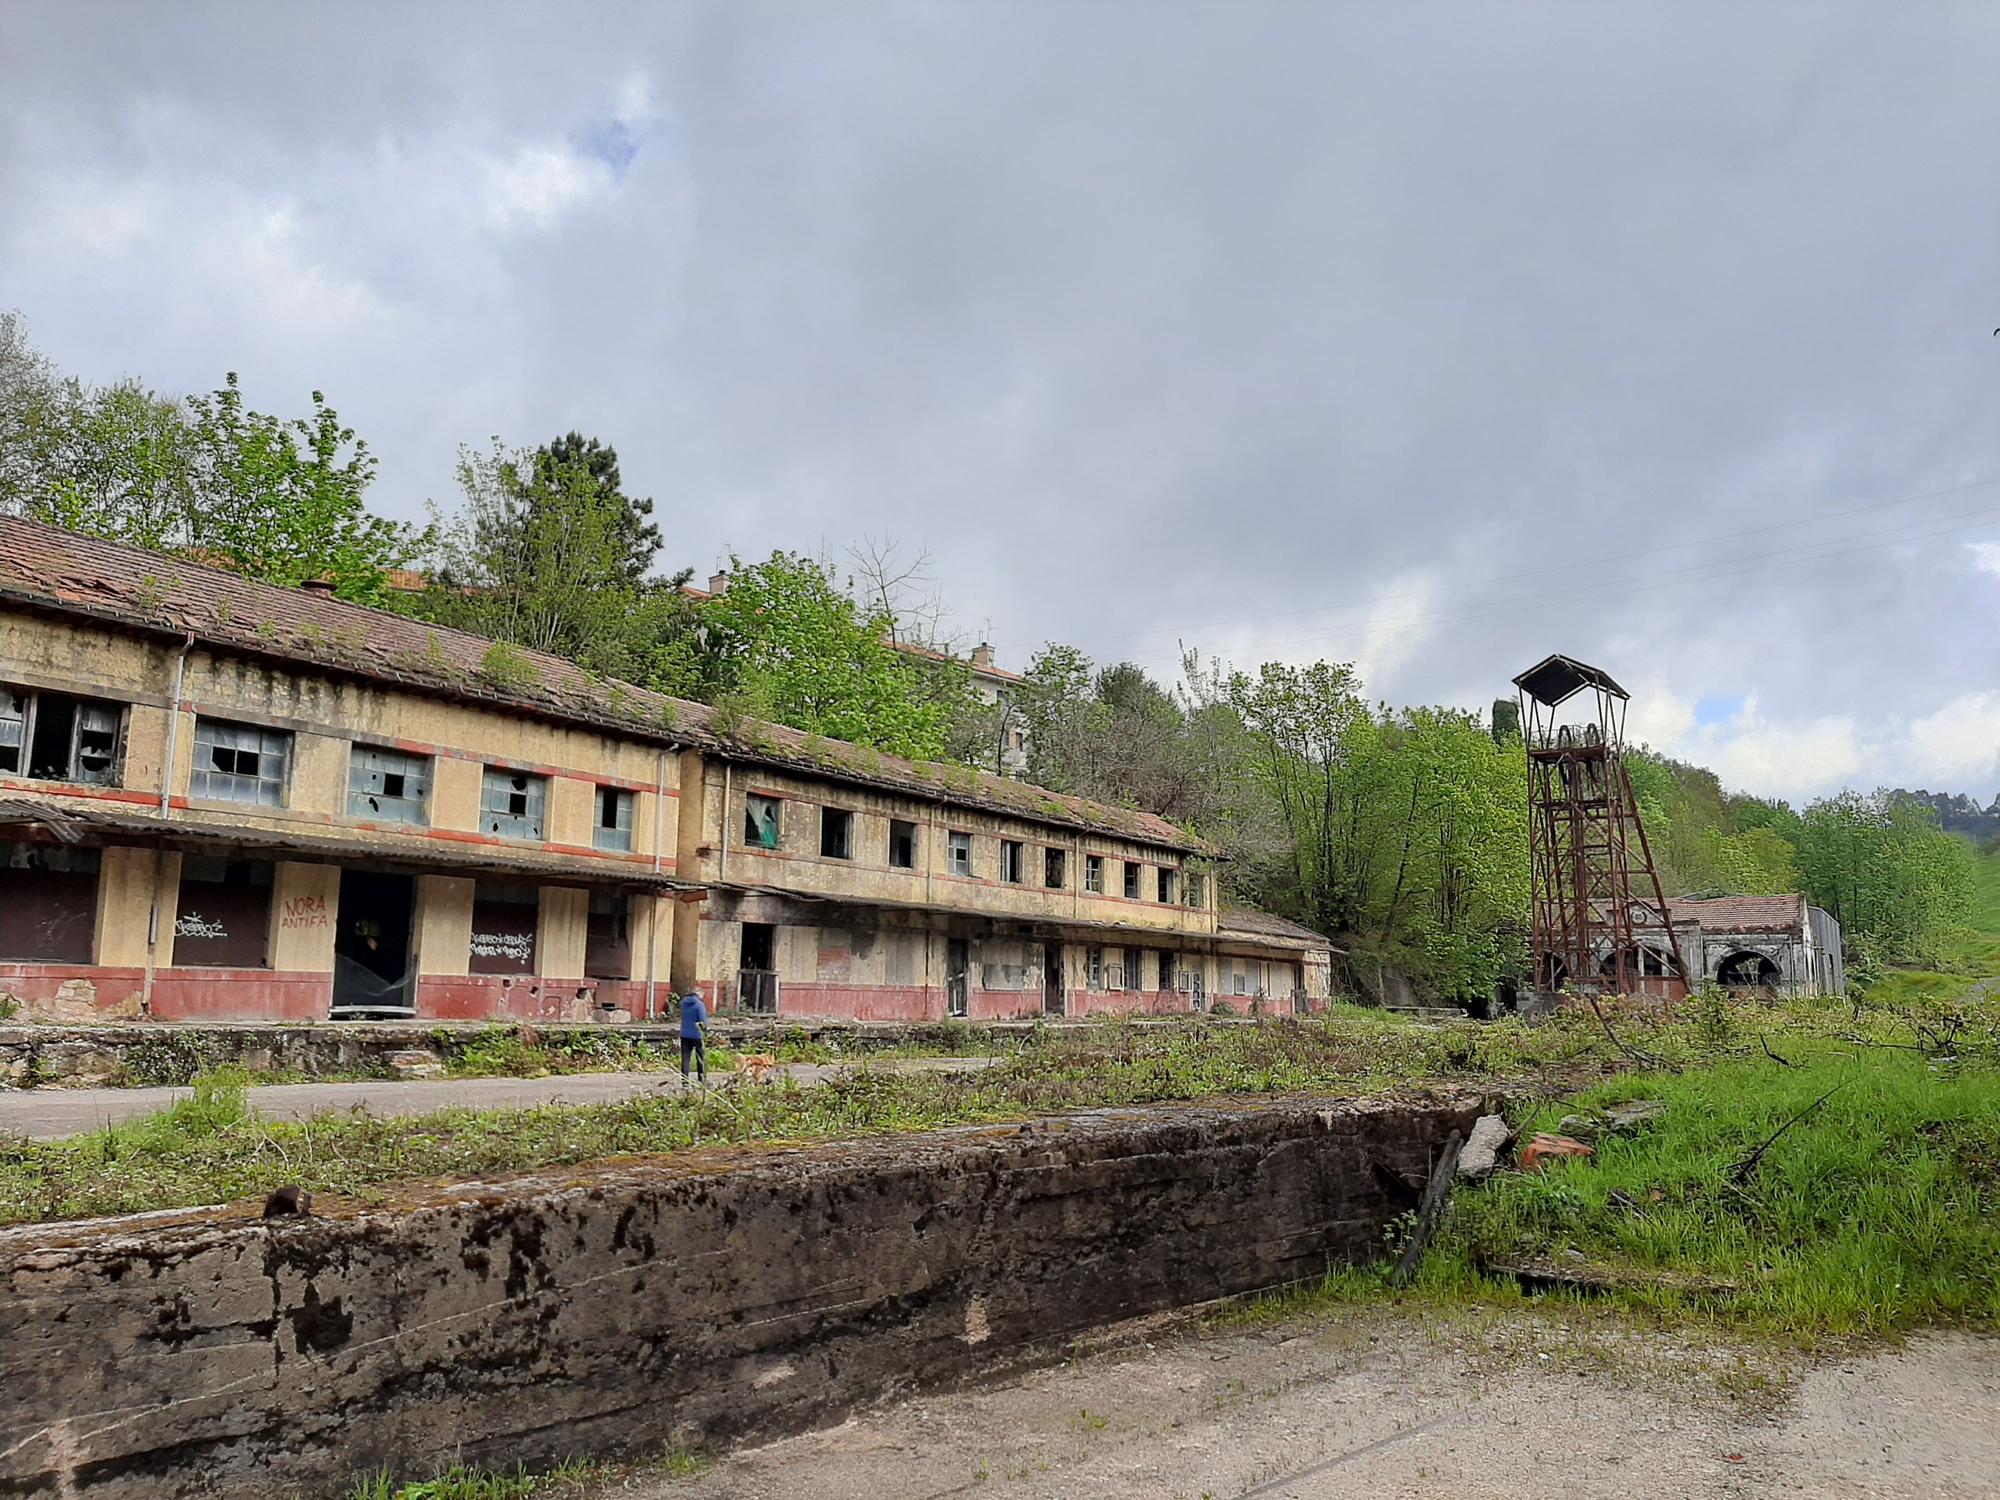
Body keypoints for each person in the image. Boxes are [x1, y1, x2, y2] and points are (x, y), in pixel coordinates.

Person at [679, 989, 708, 1084]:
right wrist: (705, 1031)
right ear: (699, 994)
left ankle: (685, 1081)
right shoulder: (699, 1005)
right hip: (697, 1035)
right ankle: (701, 1079)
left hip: (684, 1034)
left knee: (685, 1058)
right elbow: (702, 1020)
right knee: (700, 1057)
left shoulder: (683, 1003)